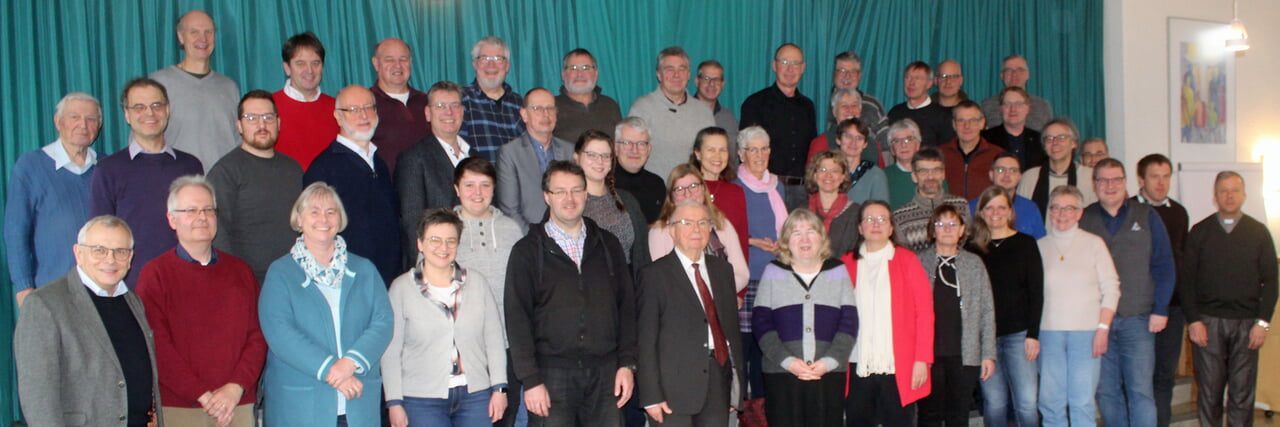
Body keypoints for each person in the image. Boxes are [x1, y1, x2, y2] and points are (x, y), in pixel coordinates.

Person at [504, 161, 638, 426]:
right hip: (551, 376)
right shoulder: (527, 251)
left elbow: (626, 309)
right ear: (547, 197)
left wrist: (627, 364)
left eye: (577, 190)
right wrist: (530, 380)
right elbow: (517, 320)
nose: (569, 198)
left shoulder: (608, 245)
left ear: (586, 194)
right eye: (560, 191)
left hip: (606, 375)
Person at [258, 182, 394, 427]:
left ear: (340, 219)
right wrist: (334, 370)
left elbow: (383, 322)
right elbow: (280, 334)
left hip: (357, 402)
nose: (324, 218)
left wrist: (350, 363)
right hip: (301, 406)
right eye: (314, 211)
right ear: (299, 219)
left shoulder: (364, 269)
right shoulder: (280, 273)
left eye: (331, 211)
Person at [136, 176, 265, 427]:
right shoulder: (155, 275)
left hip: (236, 403)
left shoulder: (241, 272)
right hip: (181, 407)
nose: (202, 217)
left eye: (208, 209)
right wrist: (203, 396)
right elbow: (156, 345)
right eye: (191, 210)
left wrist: (235, 388)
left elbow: (257, 336)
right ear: (172, 219)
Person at [15, 216, 163, 427]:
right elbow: (37, 397)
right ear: (78, 253)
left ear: (130, 257)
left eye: (120, 251)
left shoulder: (133, 302)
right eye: (99, 250)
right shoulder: (44, 305)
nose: (110, 259)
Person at [383, 208, 508, 427]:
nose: (443, 247)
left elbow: (494, 340)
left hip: (475, 396)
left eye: (451, 241)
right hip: (421, 399)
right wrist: (394, 402)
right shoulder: (401, 288)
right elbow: (391, 351)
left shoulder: (477, 283)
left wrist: (499, 388)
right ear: (420, 244)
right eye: (435, 240)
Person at [1080, 158, 1175, 427]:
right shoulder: (1084, 218)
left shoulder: (1146, 216)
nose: (1110, 186)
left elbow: (1164, 264)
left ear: (1125, 183)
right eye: (1103, 180)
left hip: (1139, 319)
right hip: (1098, 323)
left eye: (1116, 180)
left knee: (1140, 392)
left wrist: (1160, 309)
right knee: (1106, 392)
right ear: (1094, 184)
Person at [1180, 171, 1277, 427]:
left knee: (1242, 396)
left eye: (1235, 190)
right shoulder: (1200, 232)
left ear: (1244, 195)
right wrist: (1194, 321)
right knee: (1210, 394)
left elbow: (1272, 282)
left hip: (1247, 325)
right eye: (1224, 190)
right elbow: (1186, 281)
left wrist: (1263, 323)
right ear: (1215, 197)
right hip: (1208, 324)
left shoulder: (1258, 233)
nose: (1229, 195)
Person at [637, 200, 746, 426]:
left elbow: (731, 332)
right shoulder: (654, 275)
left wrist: (736, 386)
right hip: (672, 389)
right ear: (672, 230)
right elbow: (645, 340)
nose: (696, 230)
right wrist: (650, 396)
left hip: (717, 382)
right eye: (686, 223)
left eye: (703, 223)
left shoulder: (723, 271)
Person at [90, 77, 204, 286]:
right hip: (132, 287)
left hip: (187, 281)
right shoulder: (108, 170)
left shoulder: (191, 166)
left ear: (167, 110)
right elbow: (101, 238)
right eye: (139, 107)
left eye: (156, 105)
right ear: (127, 114)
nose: (149, 113)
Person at [752, 209, 857, 427]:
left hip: (827, 374)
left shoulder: (838, 270)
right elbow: (761, 324)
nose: (805, 239)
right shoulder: (773, 271)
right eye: (796, 233)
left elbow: (849, 323)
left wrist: (827, 363)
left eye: (811, 232)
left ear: (821, 238)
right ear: (786, 241)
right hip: (781, 374)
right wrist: (789, 362)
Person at [449, 157, 527, 427]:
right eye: (469, 185)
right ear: (456, 189)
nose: (477, 193)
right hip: (461, 349)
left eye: (485, 185)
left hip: (508, 346)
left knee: (506, 418)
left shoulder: (512, 230)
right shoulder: (443, 231)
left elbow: (526, 289)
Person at [840, 201, 934, 427]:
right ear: (860, 228)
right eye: (869, 219)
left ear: (891, 228)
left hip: (898, 363)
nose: (876, 224)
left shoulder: (908, 260)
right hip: (857, 362)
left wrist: (922, 359)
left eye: (882, 219)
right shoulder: (844, 264)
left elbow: (925, 313)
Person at [7, 92, 102, 307]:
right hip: (51, 291)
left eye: (91, 119)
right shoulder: (30, 166)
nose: (83, 125)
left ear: (99, 125)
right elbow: (15, 231)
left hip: (102, 287)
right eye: (74, 117)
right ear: (58, 122)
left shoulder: (107, 167)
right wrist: (24, 287)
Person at [1037, 185, 1120, 427]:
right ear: (1049, 211)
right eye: (1056, 208)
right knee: (1050, 402)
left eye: (1069, 208)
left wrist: (1103, 328)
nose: (1062, 214)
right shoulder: (1039, 247)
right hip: (1048, 333)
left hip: (1087, 334)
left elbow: (1111, 288)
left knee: (1082, 402)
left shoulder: (1094, 244)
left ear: (1080, 213)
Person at [304, 85, 402, 284]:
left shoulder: (379, 162)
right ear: (338, 117)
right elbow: (315, 233)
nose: (363, 115)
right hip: (349, 280)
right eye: (354, 110)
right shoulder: (323, 168)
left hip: (389, 278)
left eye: (369, 107)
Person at [207, 90, 304, 284]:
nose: (262, 125)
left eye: (268, 117)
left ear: (278, 123)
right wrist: (236, 279)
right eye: (252, 118)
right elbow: (218, 232)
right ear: (239, 126)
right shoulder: (225, 172)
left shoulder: (293, 169)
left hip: (295, 278)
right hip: (248, 283)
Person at [968, 186, 1044, 427]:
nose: (995, 212)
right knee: (995, 403)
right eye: (989, 207)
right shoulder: (971, 249)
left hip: (1019, 336)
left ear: (1010, 211)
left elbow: (1036, 292)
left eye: (1001, 207)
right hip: (985, 340)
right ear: (980, 213)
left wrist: (1033, 334)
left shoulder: (1026, 244)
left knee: (1027, 403)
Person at [916, 205, 996, 427]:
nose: (947, 229)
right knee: (928, 415)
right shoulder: (919, 263)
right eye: (941, 224)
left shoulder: (974, 264)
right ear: (932, 230)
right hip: (928, 356)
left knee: (958, 416)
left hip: (965, 355)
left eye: (953, 224)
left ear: (962, 230)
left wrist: (988, 353)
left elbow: (987, 311)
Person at [730, 126, 786, 417]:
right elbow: (727, 233)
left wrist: (782, 245)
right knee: (745, 349)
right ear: (740, 154)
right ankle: (743, 412)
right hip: (747, 278)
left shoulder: (779, 186)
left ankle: (763, 412)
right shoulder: (734, 188)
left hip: (775, 277)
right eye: (753, 149)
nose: (760, 155)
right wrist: (753, 242)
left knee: (769, 349)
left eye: (764, 148)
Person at [395, 80, 478, 268]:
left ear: (462, 112)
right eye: (440, 106)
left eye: (454, 105)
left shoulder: (475, 157)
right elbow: (412, 225)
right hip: (436, 265)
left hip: (476, 262)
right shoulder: (413, 159)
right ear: (427, 113)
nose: (448, 112)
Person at [1134, 153, 1190, 427]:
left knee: (1164, 375)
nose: (1161, 183)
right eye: (1155, 176)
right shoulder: (1128, 208)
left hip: (1172, 307)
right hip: (1138, 308)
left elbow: (1179, 259)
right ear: (1141, 179)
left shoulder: (1179, 212)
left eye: (1166, 176)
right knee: (1136, 376)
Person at [150, 10, 239, 171]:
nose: (202, 38)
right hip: (177, 187)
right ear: (180, 37)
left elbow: (238, 142)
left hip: (223, 187)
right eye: (194, 32)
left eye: (208, 32)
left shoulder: (229, 87)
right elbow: (144, 140)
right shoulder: (158, 83)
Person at [740, 43, 818, 210]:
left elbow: (812, 150)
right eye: (784, 62)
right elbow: (747, 152)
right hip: (766, 187)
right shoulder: (755, 104)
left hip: (802, 191)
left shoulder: (808, 107)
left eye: (795, 63)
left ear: (803, 68)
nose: (790, 69)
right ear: (774, 66)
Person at [649, 164, 750, 292]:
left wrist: (717, 294)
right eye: (680, 189)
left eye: (693, 186)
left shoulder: (722, 225)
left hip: (719, 300)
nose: (688, 194)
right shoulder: (660, 231)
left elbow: (741, 273)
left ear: (703, 189)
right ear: (672, 197)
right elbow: (660, 278)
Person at [627, 46, 715, 184]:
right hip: (654, 193)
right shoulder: (642, 108)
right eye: (669, 69)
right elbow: (630, 155)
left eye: (682, 69)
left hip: (694, 193)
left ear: (689, 74)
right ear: (659, 74)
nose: (676, 75)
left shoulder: (704, 112)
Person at [496, 88, 575, 228]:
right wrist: (536, 241)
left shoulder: (570, 151)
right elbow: (510, 210)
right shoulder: (509, 153)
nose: (546, 114)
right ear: (524, 115)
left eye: (550, 108)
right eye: (538, 109)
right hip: (528, 240)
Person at [574, 129, 651, 272]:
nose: (600, 161)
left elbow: (643, 255)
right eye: (591, 155)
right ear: (577, 158)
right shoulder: (569, 204)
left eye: (605, 155)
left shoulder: (627, 200)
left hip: (629, 285)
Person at [273, 32, 340, 170]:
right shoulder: (269, 107)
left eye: (315, 63)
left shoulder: (338, 108)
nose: (309, 70)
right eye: (300, 63)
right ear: (287, 68)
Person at [368, 38, 432, 174]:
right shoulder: (366, 104)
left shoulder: (427, 101)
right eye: (389, 59)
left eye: (403, 59)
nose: (397, 65)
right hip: (386, 191)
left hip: (426, 190)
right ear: (376, 64)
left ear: (410, 62)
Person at [460, 36, 526, 163]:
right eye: (484, 59)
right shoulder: (460, 101)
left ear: (507, 66)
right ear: (475, 64)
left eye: (498, 59)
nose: (491, 65)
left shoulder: (520, 104)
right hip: (479, 180)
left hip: (516, 181)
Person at [892, 147, 970, 252]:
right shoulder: (900, 217)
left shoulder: (961, 207)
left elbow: (969, 248)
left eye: (936, 170)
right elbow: (904, 259)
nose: (930, 177)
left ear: (943, 174)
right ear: (914, 176)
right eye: (924, 171)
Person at [689, 127, 750, 257]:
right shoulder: (686, 189)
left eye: (723, 150)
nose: (718, 156)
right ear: (698, 153)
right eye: (711, 150)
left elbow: (742, 242)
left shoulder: (736, 192)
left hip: (728, 271)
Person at [1017, 117, 1096, 219]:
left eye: (1061, 138)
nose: (1055, 143)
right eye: (1049, 139)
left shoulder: (1090, 177)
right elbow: (1020, 218)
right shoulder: (1029, 178)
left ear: (1074, 143)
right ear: (1044, 146)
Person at [967, 152, 1047, 238]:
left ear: (1019, 177)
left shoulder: (1030, 209)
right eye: (1001, 170)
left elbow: (1040, 243)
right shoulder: (973, 207)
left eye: (1013, 170)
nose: (1007, 175)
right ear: (991, 175)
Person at [939, 100, 1004, 200]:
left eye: (972, 120)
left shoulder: (998, 155)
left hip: (984, 214)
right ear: (954, 124)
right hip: (949, 214)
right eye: (961, 121)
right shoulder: (939, 155)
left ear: (982, 123)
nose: (967, 126)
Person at [807, 88, 888, 169]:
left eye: (854, 105)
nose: (850, 110)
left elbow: (881, 175)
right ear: (834, 112)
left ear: (860, 111)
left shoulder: (873, 144)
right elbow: (812, 176)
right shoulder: (822, 142)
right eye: (844, 105)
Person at [554, 48, 622, 142]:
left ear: (596, 74)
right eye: (573, 68)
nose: (579, 74)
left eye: (586, 68)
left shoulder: (610, 106)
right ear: (563, 74)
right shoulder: (551, 108)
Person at [805, 151, 861, 257]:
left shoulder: (855, 212)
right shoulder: (803, 210)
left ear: (842, 177)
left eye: (835, 171)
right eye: (823, 170)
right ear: (815, 175)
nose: (828, 175)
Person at [612, 117, 666, 223]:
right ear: (615, 148)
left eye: (641, 144)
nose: (635, 150)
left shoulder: (657, 184)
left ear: (649, 149)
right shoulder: (605, 185)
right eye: (627, 143)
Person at [980, 55, 1055, 131]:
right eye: (1009, 70)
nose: (1014, 74)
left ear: (1028, 74)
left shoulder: (1042, 106)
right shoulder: (987, 106)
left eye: (1020, 70)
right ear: (1002, 76)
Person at [887, 61, 954, 147]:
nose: (911, 83)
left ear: (929, 83)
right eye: (908, 77)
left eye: (918, 78)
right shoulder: (895, 113)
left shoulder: (942, 116)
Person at [981, 87, 1046, 170]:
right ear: (1001, 109)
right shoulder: (985, 139)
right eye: (1008, 104)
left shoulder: (1040, 141)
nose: (1013, 109)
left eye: (1018, 104)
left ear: (1027, 109)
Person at [827, 117, 890, 204]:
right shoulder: (828, 173)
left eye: (859, 138)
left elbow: (881, 210)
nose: (853, 142)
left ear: (865, 144)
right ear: (838, 140)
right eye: (848, 136)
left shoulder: (875, 175)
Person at [829, 52, 887, 135]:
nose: (847, 76)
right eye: (842, 71)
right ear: (834, 74)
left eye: (852, 71)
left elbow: (885, 140)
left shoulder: (873, 105)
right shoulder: (822, 104)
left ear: (859, 75)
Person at [882, 119, 929, 209]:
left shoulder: (932, 173)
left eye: (908, 139)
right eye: (897, 141)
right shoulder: (883, 176)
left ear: (918, 145)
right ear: (892, 149)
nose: (903, 145)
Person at [694, 60, 740, 149]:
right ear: (697, 81)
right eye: (707, 78)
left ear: (723, 84)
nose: (711, 84)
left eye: (716, 79)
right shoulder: (684, 114)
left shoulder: (729, 118)